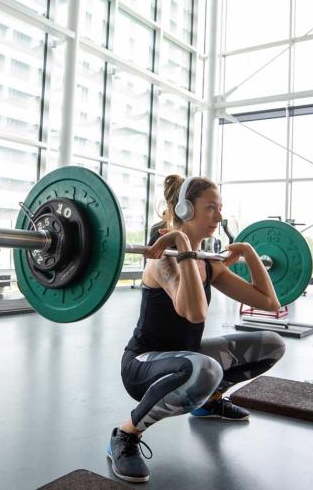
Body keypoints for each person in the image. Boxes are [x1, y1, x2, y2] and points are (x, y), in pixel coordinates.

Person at [106, 175, 286, 484]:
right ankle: (125, 434)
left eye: (220, 208)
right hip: (143, 366)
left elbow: (269, 302)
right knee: (205, 369)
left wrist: (248, 253)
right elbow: (194, 311)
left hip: (186, 359)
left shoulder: (207, 263)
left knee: (272, 344)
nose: (218, 216)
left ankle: (209, 402)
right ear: (187, 210)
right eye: (211, 208)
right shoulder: (162, 262)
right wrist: (182, 245)